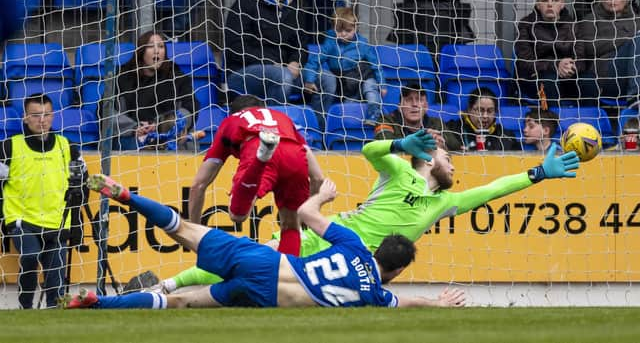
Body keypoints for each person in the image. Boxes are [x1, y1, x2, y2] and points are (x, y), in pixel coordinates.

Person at [150, 127, 580, 293]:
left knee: (267, 284)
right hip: (328, 234)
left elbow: (492, 190)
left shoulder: (443, 202)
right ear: (429, 159)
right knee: (253, 261)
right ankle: (166, 287)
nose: (454, 169)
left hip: (355, 266)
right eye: (450, 160)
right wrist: (398, 145)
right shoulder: (398, 171)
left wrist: (539, 172)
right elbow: (370, 150)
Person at [65, 175, 466, 309]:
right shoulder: (373, 294)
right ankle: (99, 303)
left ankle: (129, 198)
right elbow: (408, 302)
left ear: (378, 251)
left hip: (268, 261)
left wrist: (322, 197)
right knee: (181, 302)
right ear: (395, 270)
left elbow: (307, 216)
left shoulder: (354, 245)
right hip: (263, 292)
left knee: (184, 230)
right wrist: (438, 303)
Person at [190, 95, 324, 257]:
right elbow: (318, 178)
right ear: (264, 109)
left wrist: (194, 231)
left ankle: (261, 160)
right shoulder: (283, 118)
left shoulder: (231, 121)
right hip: (294, 153)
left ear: (233, 112)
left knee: (237, 215)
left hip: (255, 145)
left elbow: (199, 184)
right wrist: (309, 211)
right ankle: (287, 275)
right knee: (291, 227)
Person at [0, 94, 86, 309]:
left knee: (55, 274)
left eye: (46, 114)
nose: (42, 120)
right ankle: (25, 306)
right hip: (22, 218)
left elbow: (82, 183)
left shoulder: (68, 147)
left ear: (53, 116)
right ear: (25, 118)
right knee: (30, 256)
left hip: (57, 220)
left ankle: (53, 313)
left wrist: (75, 217)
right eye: (36, 115)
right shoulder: (9, 148)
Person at [225, 0, 326, 106]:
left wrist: (295, 62)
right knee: (283, 77)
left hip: (285, 70)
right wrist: (270, 62)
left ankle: (317, 124)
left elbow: (301, 44)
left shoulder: (296, 5)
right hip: (243, 73)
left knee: (326, 79)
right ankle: (274, 122)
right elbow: (235, 47)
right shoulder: (245, 2)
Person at [111, 31, 198, 151]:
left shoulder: (177, 77)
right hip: (132, 137)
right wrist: (134, 128)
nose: (157, 51)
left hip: (168, 136)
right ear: (141, 51)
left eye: (161, 46)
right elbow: (104, 111)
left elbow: (191, 109)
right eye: (151, 46)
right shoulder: (122, 78)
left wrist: (164, 125)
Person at [514, 0, 598, 104]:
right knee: (549, 81)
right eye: (544, 0)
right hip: (537, 80)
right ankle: (550, 119)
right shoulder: (526, 25)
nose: (549, 4)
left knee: (589, 80)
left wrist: (569, 67)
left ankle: (589, 120)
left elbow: (581, 60)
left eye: (554, 0)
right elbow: (525, 62)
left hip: (568, 79)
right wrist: (556, 65)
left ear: (562, 3)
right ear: (537, 4)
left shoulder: (573, 25)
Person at [303, 7, 386, 125]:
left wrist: (382, 84)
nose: (343, 34)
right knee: (347, 110)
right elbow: (313, 62)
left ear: (355, 28)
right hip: (348, 88)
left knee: (371, 91)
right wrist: (310, 80)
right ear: (333, 28)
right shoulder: (330, 44)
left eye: (348, 30)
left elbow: (375, 65)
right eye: (339, 30)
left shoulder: (362, 44)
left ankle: (373, 118)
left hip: (365, 77)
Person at [576, 0, 640, 101]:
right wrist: (629, 38)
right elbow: (590, 46)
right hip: (607, 77)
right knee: (638, 40)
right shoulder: (590, 20)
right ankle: (635, 96)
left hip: (633, 73)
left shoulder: (637, 20)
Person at [374, 83, 457, 149]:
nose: (414, 104)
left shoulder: (436, 123)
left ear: (426, 107)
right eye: (409, 100)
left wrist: (441, 142)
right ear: (400, 107)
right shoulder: (386, 120)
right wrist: (422, 141)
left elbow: (456, 146)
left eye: (419, 100)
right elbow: (385, 143)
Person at [446, 87, 521, 151]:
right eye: (480, 110)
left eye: (490, 111)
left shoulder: (506, 136)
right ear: (469, 110)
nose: (485, 116)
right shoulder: (452, 130)